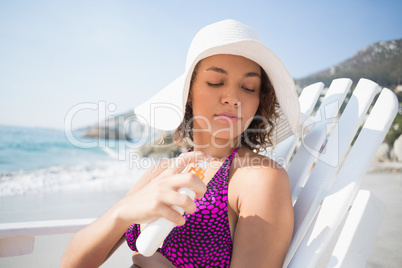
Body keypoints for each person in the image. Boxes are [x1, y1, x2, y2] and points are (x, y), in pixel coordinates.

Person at [61, 19, 299, 268]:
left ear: (259, 100)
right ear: (187, 94)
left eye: (249, 87)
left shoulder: (257, 178)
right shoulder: (166, 171)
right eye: (216, 82)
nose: (233, 98)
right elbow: (71, 264)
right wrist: (124, 211)